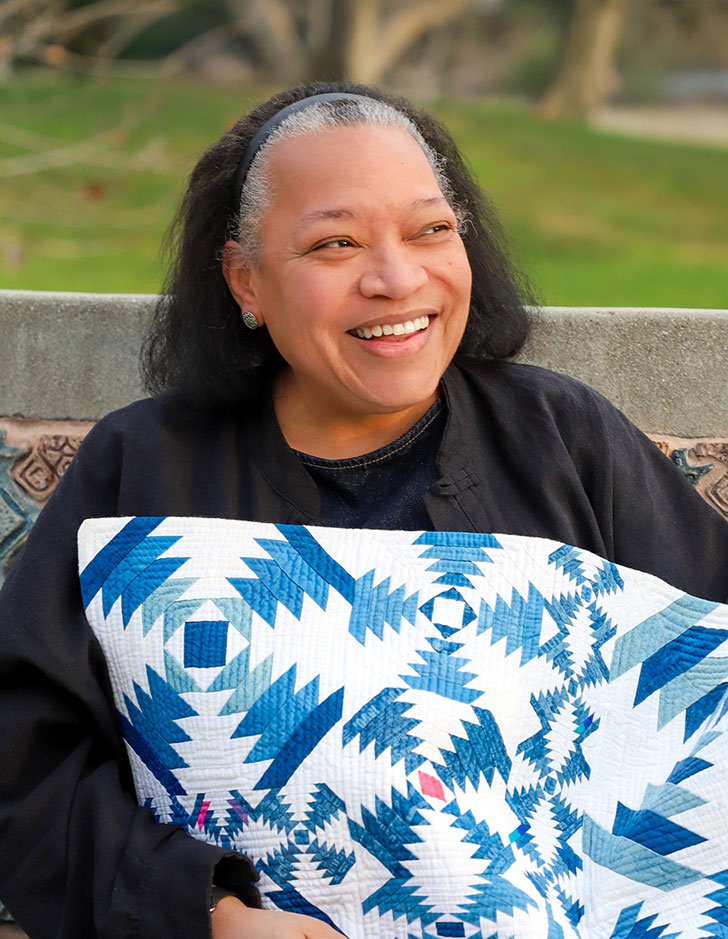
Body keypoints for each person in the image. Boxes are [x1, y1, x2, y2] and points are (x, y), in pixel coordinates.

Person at [0, 81, 726, 939]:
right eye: (335, 243)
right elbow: (24, 766)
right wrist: (208, 915)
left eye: (431, 230)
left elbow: (708, 697)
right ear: (245, 279)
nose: (397, 278)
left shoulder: (564, 441)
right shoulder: (145, 466)